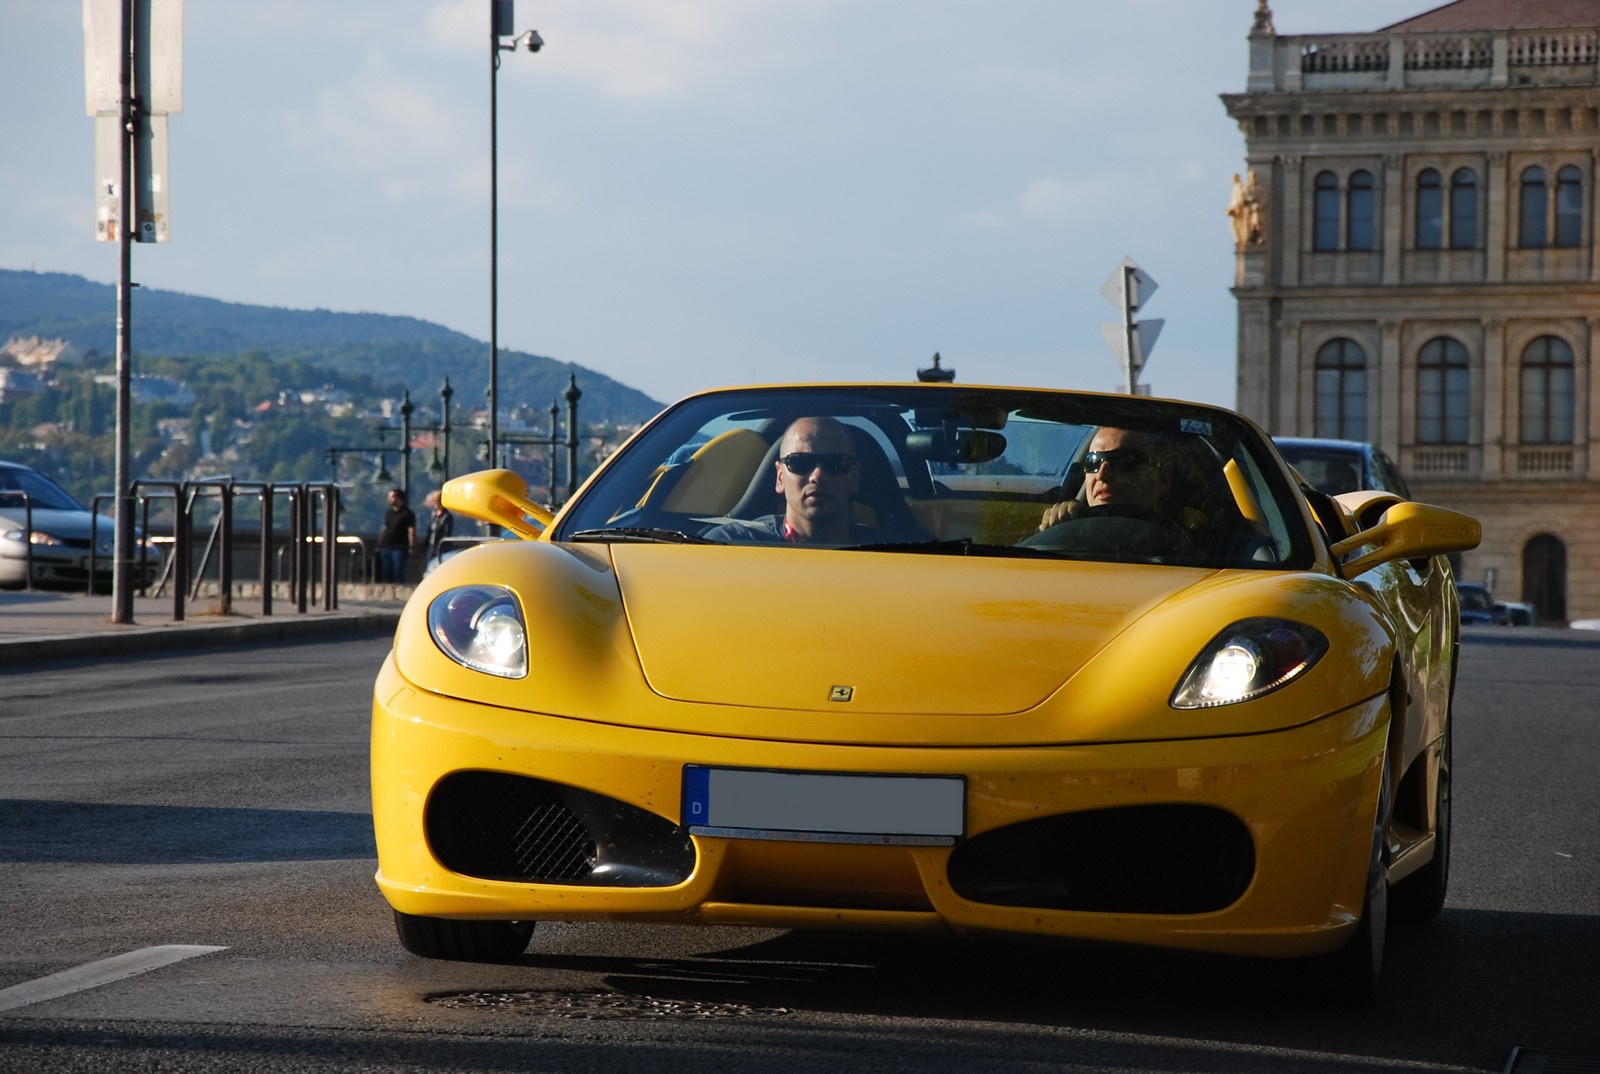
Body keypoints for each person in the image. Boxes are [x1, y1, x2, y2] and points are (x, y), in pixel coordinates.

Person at [703, 417, 881, 544]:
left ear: (855, 477)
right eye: (800, 462)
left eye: (836, 463)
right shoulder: (728, 547)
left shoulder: (892, 556)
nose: (817, 476)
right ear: (780, 477)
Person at [1038, 426, 1173, 533]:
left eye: (1122, 460)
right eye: (1093, 462)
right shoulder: (1061, 536)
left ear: (1162, 479)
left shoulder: (1185, 551)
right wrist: (1050, 531)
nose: (1102, 475)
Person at [376, 488, 416, 583]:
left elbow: (411, 530)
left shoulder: (407, 514)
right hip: (386, 546)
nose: (390, 499)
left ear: (399, 499)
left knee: (398, 572)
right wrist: (379, 543)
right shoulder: (389, 513)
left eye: (392, 497)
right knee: (386, 572)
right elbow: (385, 528)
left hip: (400, 547)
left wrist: (412, 546)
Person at [422, 489, 454, 561]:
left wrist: (441, 547)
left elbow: (447, 533)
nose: (434, 504)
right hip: (431, 545)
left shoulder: (447, 516)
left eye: (436, 501)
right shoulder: (434, 515)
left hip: (440, 546)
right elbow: (430, 531)